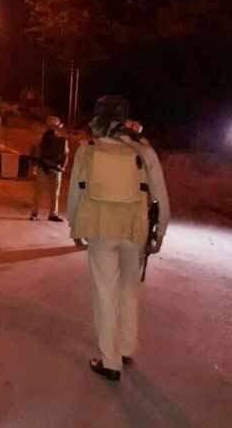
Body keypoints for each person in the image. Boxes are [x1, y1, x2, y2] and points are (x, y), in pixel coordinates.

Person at [67, 95, 170, 381]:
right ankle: (125, 348)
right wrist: (160, 232)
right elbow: (160, 196)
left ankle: (110, 361)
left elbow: (75, 192)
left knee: (105, 292)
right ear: (125, 118)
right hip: (134, 230)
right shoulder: (143, 150)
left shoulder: (87, 149)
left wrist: (74, 227)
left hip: (100, 229)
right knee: (129, 290)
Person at [30, 115, 69, 221]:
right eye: (51, 126)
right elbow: (36, 152)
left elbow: (65, 154)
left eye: (54, 126)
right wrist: (34, 166)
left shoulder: (62, 140)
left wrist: (63, 167)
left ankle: (52, 214)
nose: (53, 128)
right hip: (44, 167)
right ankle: (35, 213)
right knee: (39, 192)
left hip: (55, 168)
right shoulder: (42, 138)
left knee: (54, 193)